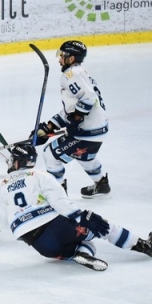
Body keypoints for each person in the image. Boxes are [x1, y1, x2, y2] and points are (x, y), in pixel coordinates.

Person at [0, 144, 152, 271]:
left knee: (83, 245)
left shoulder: (3, 185)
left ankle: (82, 254)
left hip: (39, 245)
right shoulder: (39, 176)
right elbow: (60, 201)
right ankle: (145, 246)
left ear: (17, 162)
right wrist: (82, 216)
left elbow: (5, 220)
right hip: (54, 228)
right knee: (102, 227)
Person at [32, 40, 110, 198]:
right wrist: (50, 126)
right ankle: (102, 185)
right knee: (84, 156)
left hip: (87, 131)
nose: (59, 59)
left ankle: (57, 195)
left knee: (50, 154)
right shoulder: (81, 72)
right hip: (98, 129)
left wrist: (75, 120)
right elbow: (72, 107)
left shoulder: (70, 74)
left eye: (62, 56)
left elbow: (89, 99)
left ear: (72, 58)